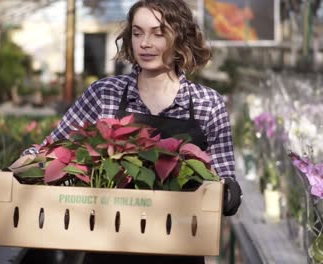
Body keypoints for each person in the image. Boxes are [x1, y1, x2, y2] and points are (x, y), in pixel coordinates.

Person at [23, 0, 241, 263]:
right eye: (137, 33)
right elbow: (55, 147)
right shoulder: (105, 93)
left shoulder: (208, 103)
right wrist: (26, 162)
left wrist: (227, 190)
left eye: (157, 33)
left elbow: (223, 173)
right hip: (108, 248)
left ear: (181, 38)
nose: (144, 43)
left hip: (179, 250)